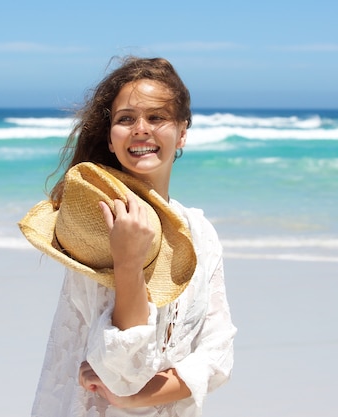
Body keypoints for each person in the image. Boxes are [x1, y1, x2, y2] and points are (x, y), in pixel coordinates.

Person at [19, 56, 236, 417]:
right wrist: (128, 260)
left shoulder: (200, 233)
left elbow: (218, 354)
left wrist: (138, 398)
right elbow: (122, 370)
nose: (140, 129)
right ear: (110, 135)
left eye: (156, 117)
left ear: (182, 131)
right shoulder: (94, 229)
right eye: (125, 119)